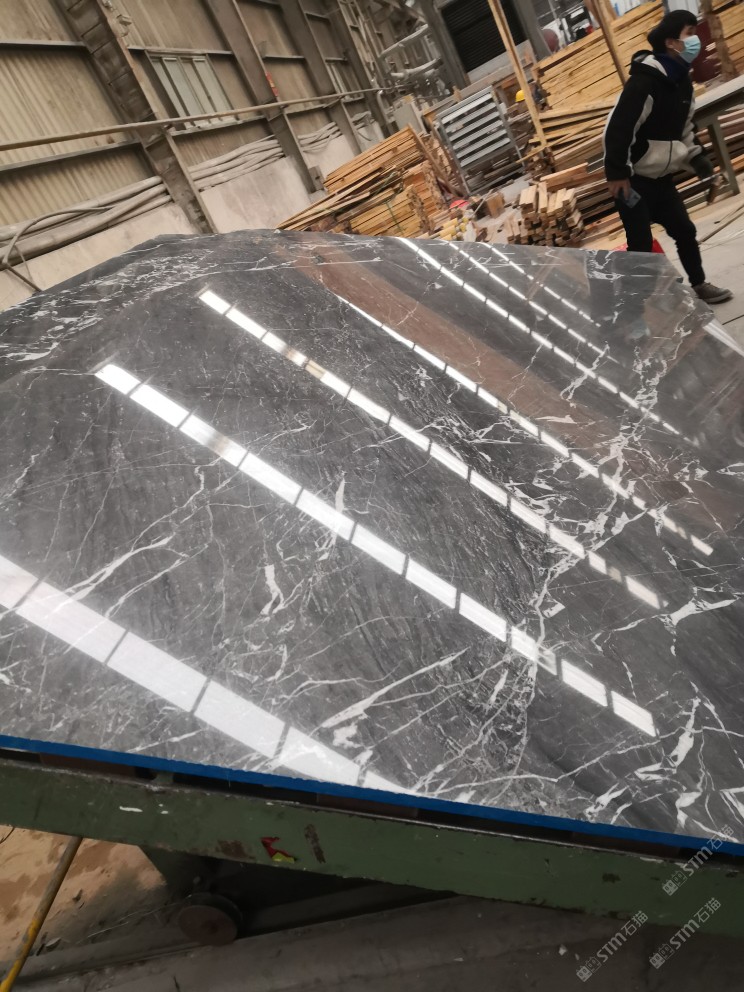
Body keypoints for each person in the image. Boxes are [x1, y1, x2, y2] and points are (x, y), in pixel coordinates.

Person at [603, 10, 733, 305]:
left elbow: (685, 129)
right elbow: (619, 127)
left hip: (661, 179)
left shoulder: (682, 83)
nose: (696, 39)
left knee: (685, 231)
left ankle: (700, 284)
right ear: (671, 43)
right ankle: (635, 308)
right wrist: (617, 173)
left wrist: (701, 164)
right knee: (640, 247)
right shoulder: (644, 82)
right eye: (690, 33)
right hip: (633, 182)